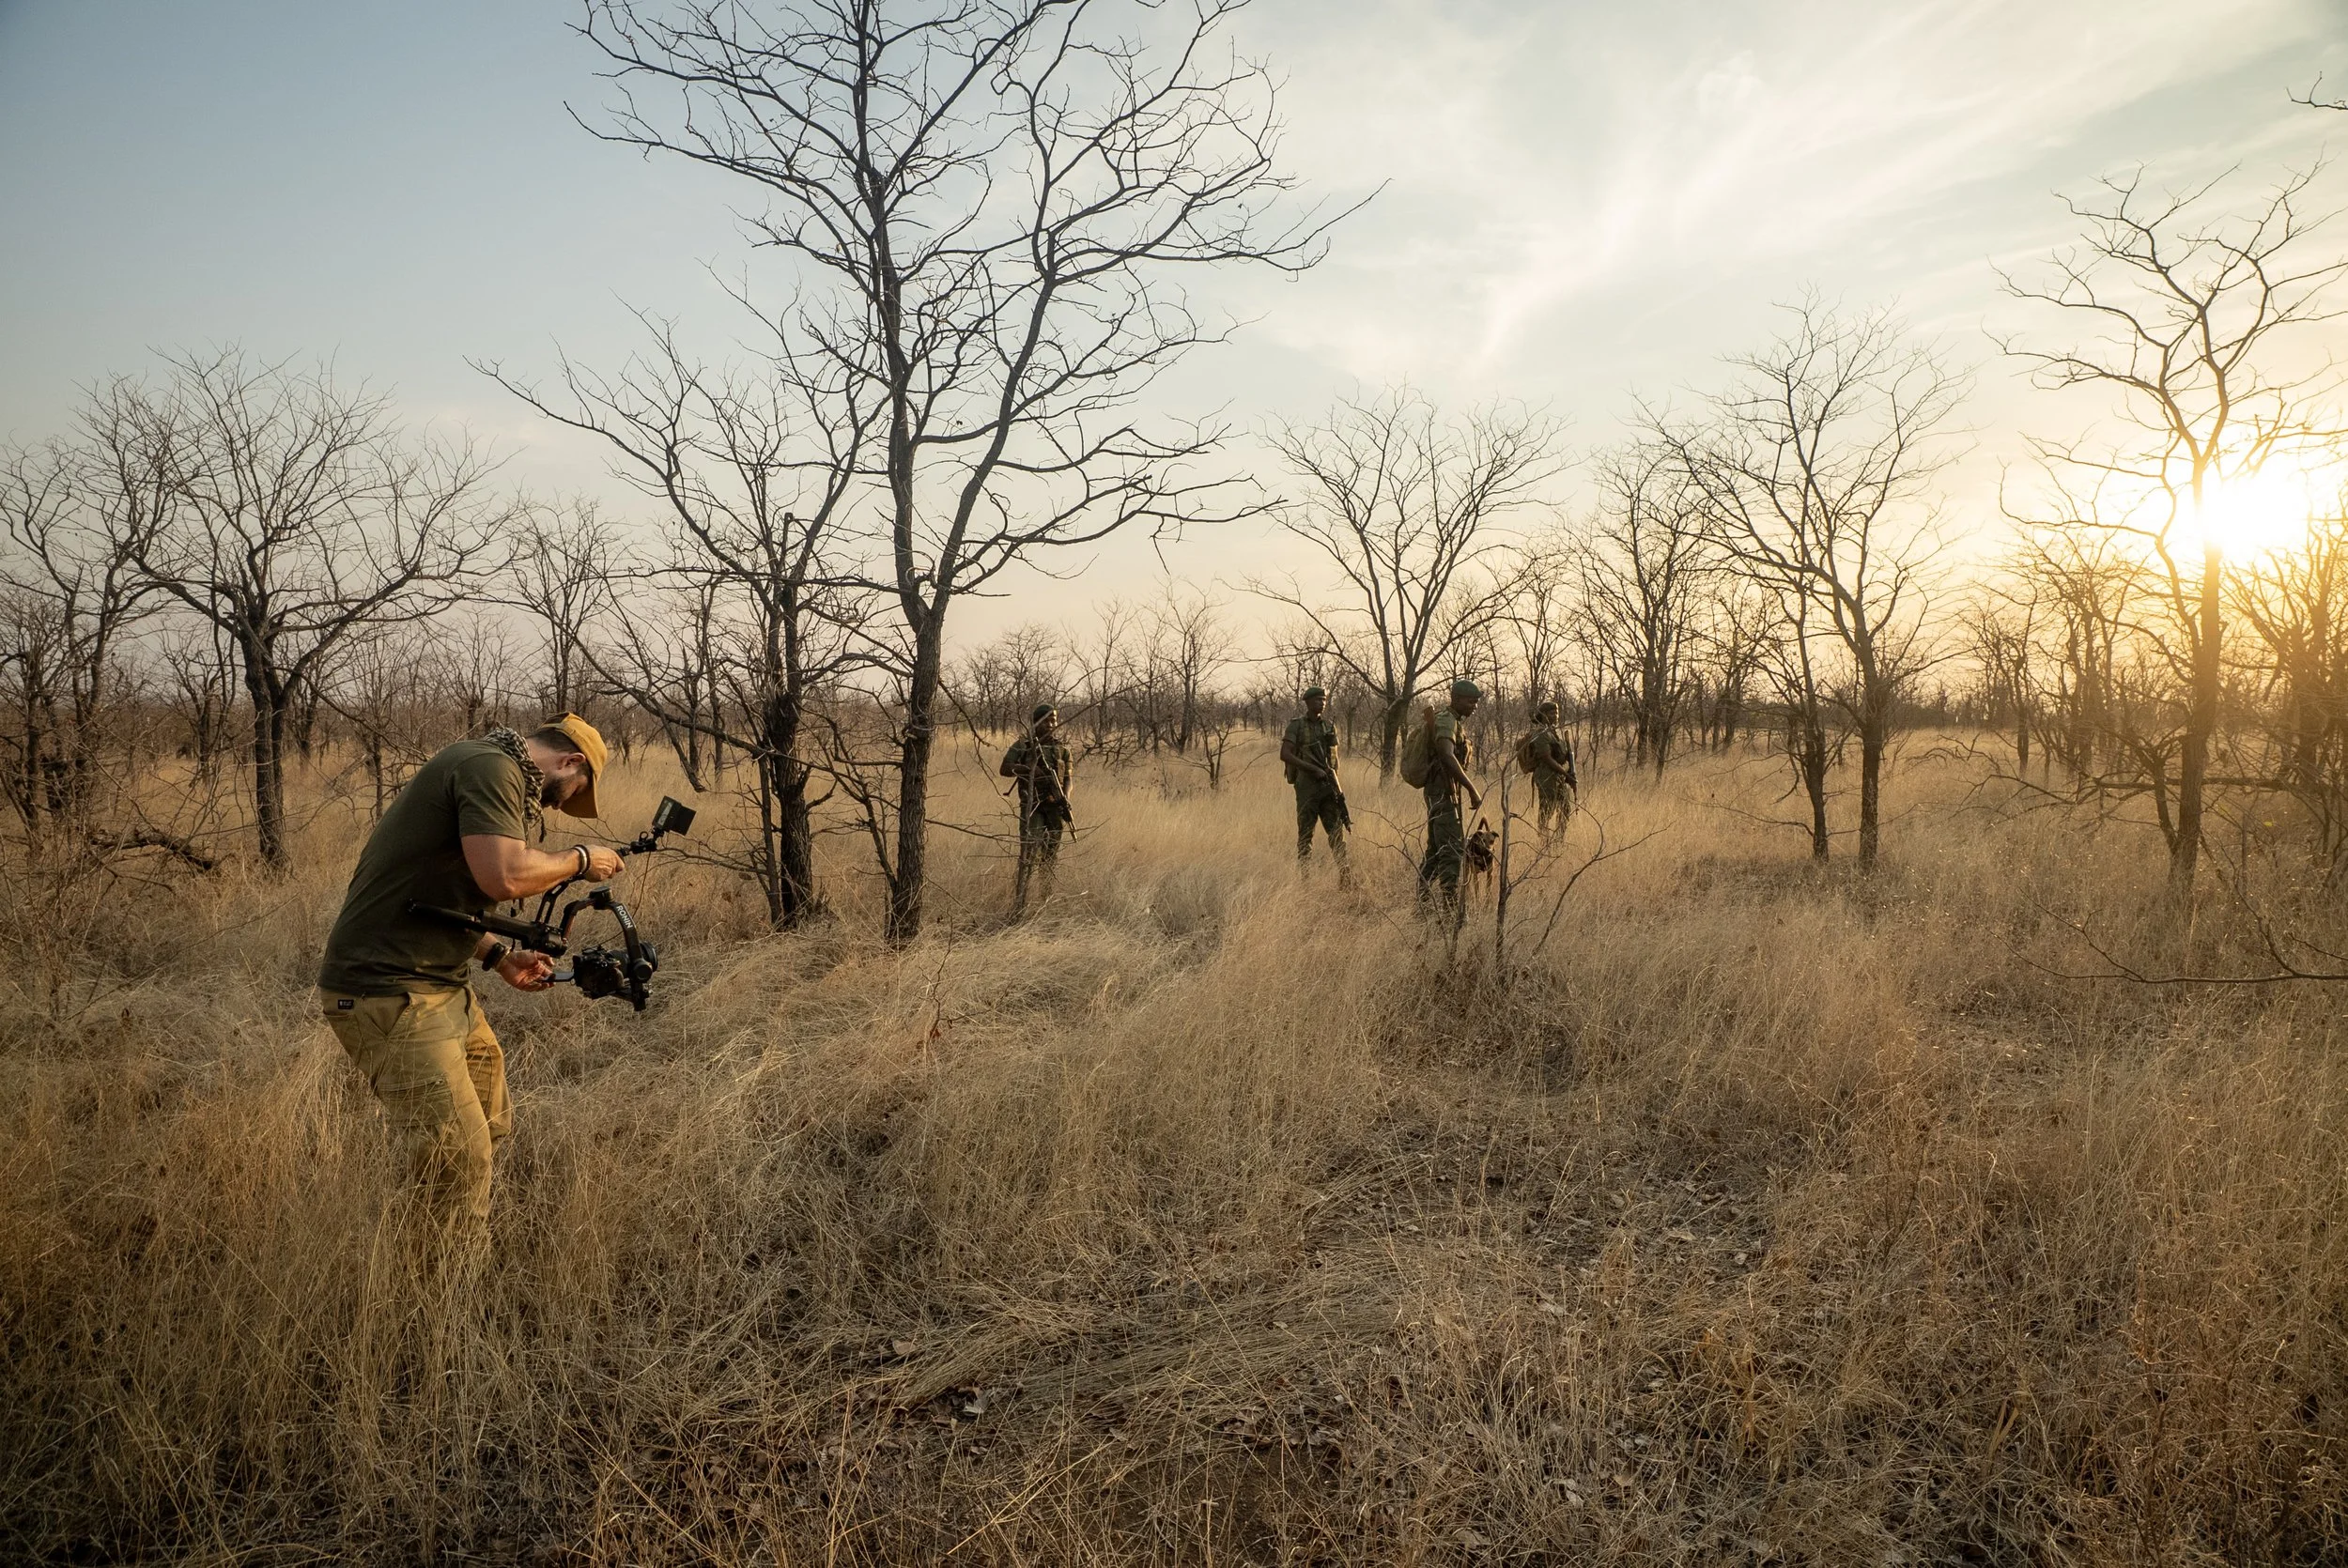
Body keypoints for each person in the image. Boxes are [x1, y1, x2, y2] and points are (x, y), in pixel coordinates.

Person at [317, 715, 621, 1229]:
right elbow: (504, 875)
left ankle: (445, 1256)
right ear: (571, 762)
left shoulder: (488, 765)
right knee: (455, 1161)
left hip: (437, 983)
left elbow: (427, 900)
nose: (563, 804)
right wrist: (580, 858)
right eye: (575, 791)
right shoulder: (491, 768)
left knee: (489, 1121)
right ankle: (434, 1300)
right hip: (391, 991)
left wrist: (498, 957)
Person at [1001, 702, 1074, 917]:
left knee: (1050, 856)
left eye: (1054, 720)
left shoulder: (1063, 749)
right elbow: (1005, 769)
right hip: (1032, 806)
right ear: (1036, 722)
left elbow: (1069, 779)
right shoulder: (1024, 745)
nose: (1052, 724)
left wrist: (1065, 797)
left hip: (1054, 807)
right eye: (1047, 720)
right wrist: (1031, 770)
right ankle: (1020, 902)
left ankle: (1046, 900)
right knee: (1029, 854)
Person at [1418, 679, 1484, 907]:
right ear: (1456, 699)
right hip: (1443, 793)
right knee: (1452, 851)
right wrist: (1471, 788)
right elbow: (1446, 754)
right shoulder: (1446, 720)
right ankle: (1449, 907)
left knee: (1437, 850)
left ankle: (1423, 903)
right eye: (1470, 701)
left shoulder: (1454, 721)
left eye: (1476, 702)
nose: (1474, 706)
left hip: (1446, 793)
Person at [1280, 685, 1350, 884]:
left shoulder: (1329, 727)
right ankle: (1306, 880)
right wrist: (1312, 769)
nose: (1322, 703)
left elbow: (1334, 760)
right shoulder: (1297, 726)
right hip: (1307, 789)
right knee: (1305, 836)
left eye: (1324, 700)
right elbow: (1285, 754)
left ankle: (1345, 877)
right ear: (1308, 702)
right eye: (1318, 700)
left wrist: (1334, 782)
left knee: (1337, 833)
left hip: (1328, 788)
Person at [1523, 699, 1578, 841]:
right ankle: (1544, 841)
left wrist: (1569, 770)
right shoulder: (1540, 733)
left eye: (1557, 713)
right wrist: (1566, 774)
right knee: (1547, 810)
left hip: (1558, 775)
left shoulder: (1553, 731)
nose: (1555, 716)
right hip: (1546, 775)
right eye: (1552, 713)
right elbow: (1547, 758)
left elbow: (1560, 755)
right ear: (1543, 714)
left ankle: (1559, 840)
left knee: (1565, 808)